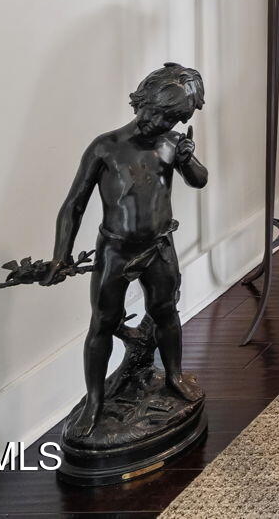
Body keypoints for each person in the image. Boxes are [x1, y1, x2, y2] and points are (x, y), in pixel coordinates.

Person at [46, 63, 207, 436]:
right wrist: (61, 253)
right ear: (144, 103)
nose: (165, 126)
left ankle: (174, 375)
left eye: (175, 121)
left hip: (159, 246)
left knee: (165, 312)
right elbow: (74, 204)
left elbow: (199, 180)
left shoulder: (170, 145)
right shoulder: (107, 147)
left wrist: (187, 158)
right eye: (163, 117)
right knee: (102, 323)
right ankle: (95, 400)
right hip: (115, 250)